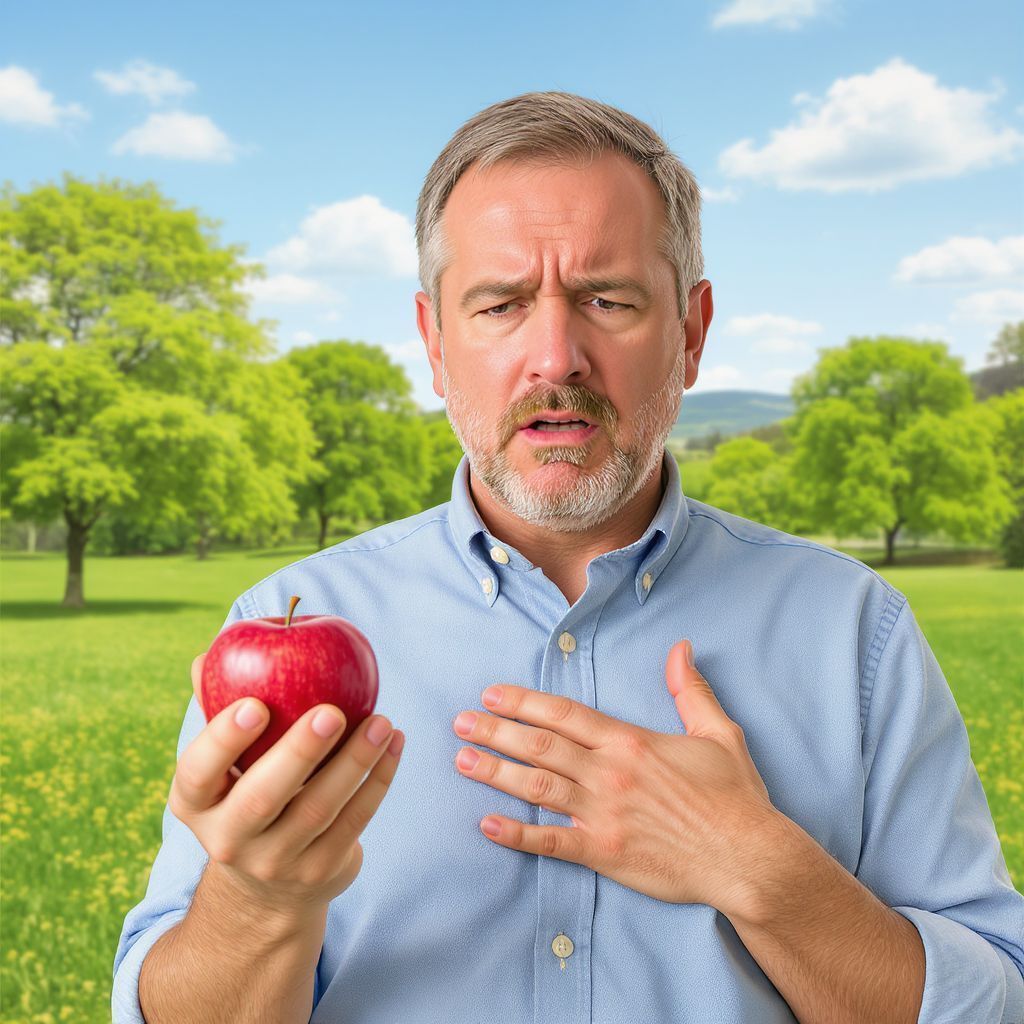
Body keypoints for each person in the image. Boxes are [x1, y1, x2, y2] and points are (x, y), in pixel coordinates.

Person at [113, 91, 1024, 1024]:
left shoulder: (854, 633)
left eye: (607, 299)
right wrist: (257, 905)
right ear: (434, 342)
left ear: (693, 331)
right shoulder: (289, 614)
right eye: (502, 304)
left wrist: (760, 868)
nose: (557, 357)